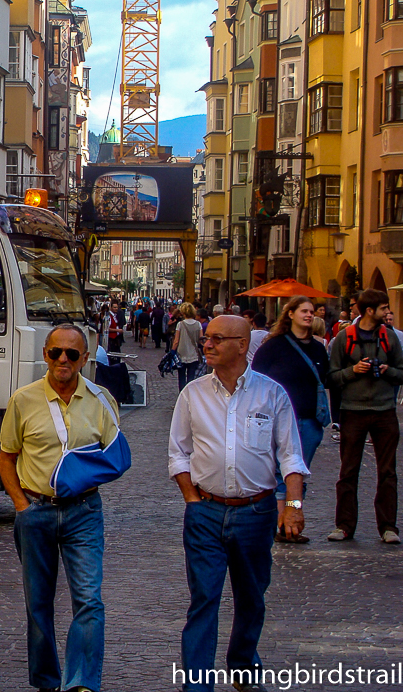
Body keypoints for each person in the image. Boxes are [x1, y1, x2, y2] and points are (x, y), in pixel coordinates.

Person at [168, 315, 308, 692]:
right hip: (205, 512)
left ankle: (243, 665)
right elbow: (178, 454)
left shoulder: (271, 394)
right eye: (206, 338)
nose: (207, 345)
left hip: (256, 513)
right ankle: (197, 684)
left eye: (217, 339)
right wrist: (192, 500)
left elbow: (291, 457)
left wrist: (293, 507)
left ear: (242, 345)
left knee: (251, 598)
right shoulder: (192, 394)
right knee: (204, 600)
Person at [0, 323, 117, 692]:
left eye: (71, 353)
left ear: (84, 358)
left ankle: (81, 683)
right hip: (35, 511)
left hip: (84, 511)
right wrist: (21, 505)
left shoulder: (101, 400)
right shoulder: (23, 400)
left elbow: (114, 455)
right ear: (46, 355)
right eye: (55, 353)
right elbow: (6, 458)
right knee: (38, 604)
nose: (62, 360)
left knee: (89, 599)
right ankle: (47, 681)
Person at [327, 288, 403, 544]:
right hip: (353, 411)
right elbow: (332, 378)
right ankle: (344, 526)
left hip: (384, 412)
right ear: (370, 311)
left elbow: (402, 372)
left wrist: (387, 370)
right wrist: (354, 371)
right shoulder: (343, 338)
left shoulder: (389, 337)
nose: (387, 312)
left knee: (388, 471)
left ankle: (388, 527)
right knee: (348, 471)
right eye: (383, 308)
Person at [251, 297, 329, 544]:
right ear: (291, 314)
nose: (309, 315)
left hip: (308, 421)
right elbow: (256, 379)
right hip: (278, 420)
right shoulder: (273, 347)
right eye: (304, 311)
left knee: (298, 474)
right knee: (277, 473)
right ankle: (279, 523)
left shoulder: (318, 348)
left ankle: (291, 518)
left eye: (312, 312)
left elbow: (326, 379)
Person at [173, 302, 202, 391]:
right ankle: (190, 394)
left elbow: (176, 341)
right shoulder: (198, 324)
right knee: (191, 377)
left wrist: (172, 351)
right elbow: (201, 339)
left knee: (181, 377)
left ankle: (182, 394)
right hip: (193, 354)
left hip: (181, 354)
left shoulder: (180, 324)